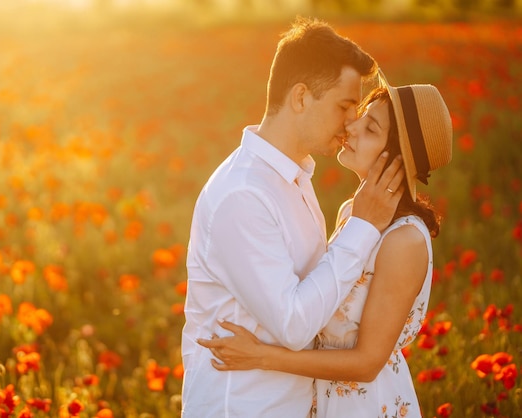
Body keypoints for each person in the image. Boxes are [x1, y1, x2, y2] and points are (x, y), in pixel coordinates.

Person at [181, 17, 407, 417]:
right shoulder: (243, 194)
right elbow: (295, 325)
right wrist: (364, 226)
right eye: (344, 105)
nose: (351, 121)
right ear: (301, 97)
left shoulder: (293, 177)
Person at [197, 77, 453, 418]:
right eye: (361, 114)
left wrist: (262, 357)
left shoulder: (404, 240)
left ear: (396, 161)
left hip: (367, 404)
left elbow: (366, 363)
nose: (352, 124)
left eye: (371, 127)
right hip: (325, 398)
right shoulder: (354, 212)